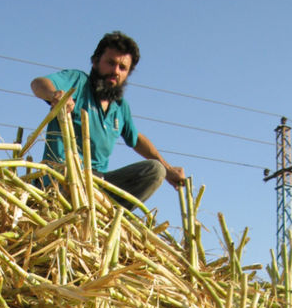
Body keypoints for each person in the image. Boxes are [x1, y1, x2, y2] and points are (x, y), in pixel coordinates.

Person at [31, 31, 186, 209]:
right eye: (110, 63)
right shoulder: (78, 83)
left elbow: (136, 139)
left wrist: (168, 169)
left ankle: (108, 216)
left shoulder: (120, 107)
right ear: (96, 61)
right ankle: (79, 208)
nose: (115, 71)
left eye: (122, 68)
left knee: (155, 170)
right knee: (69, 180)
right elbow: (38, 83)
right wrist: (55, 95)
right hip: (62, 177)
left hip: (97, 186)